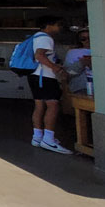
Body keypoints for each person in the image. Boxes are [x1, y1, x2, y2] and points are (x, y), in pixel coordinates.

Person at [28, 15, 72, 154]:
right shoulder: (45, 38)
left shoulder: (35, 37)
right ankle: (48, 139)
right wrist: (55, 67)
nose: (59, 28)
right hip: (45, 77)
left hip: (35, 76)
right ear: (49, 25)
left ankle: (37, 137)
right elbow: (39, 55)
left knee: (39, 105)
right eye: (57, 24)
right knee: (53, 105)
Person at [64, 28, 92, 95]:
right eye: (83, 39)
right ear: (79, 40)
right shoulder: (73, 52)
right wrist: (81, 64)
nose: (87, 40)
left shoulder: (102, 51)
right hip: (81, 88)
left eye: (89, 38)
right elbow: (68, 73)